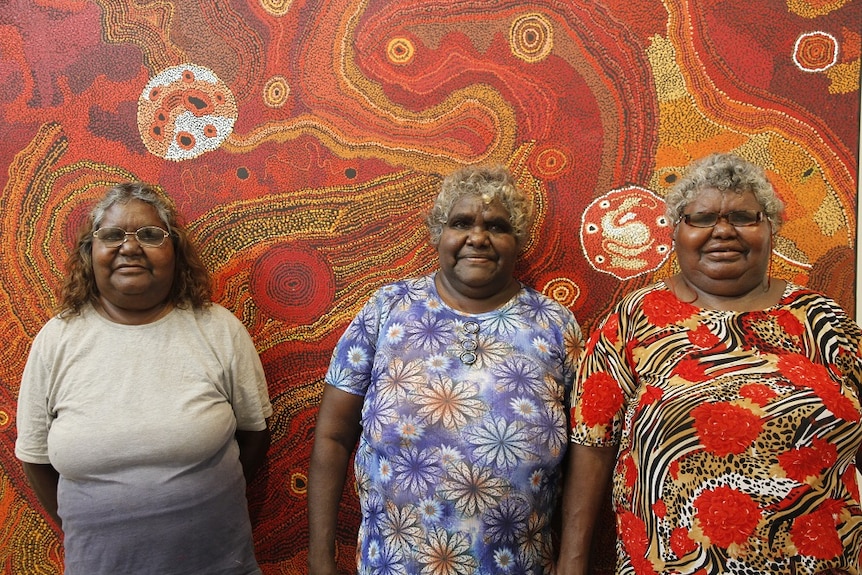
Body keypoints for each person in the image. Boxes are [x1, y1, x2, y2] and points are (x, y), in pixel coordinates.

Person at [557, 152, 862, 575]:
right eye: (702, 218)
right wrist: (572, 562)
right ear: (677, 232)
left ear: (771, 229)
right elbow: (592, 446)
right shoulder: (634, 318)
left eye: (743, 217)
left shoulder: (823, 320)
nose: (723, 231)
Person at [307, 165, 583, 574]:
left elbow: (586, 452)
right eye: (461, 223)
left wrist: (571, 561)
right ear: (439, 233)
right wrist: (320, 559)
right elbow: (332, 436)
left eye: (496, 226)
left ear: (517, 242)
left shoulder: (555, 325)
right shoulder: (388, 310)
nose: (478, 237)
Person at [15, 182, 273, 575]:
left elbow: (254, 434)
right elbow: (35, 457)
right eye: (112, 235)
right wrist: (95, 525)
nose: (130, 247)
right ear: (91, 253)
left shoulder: (219, 330)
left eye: (150, 235)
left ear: (176, 254)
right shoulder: (56, 340)